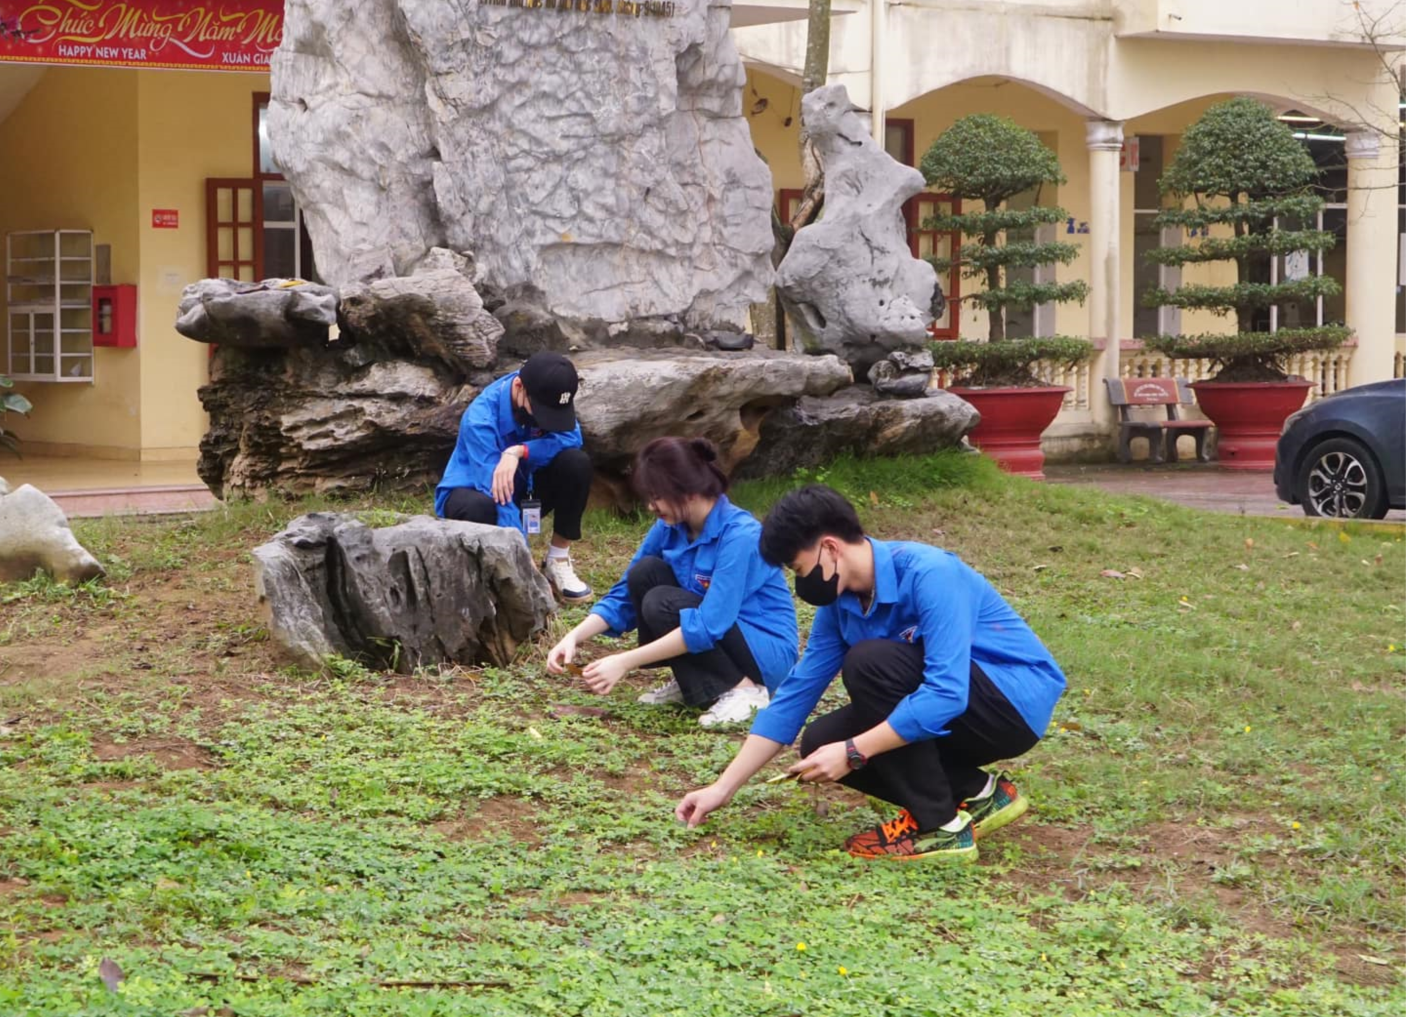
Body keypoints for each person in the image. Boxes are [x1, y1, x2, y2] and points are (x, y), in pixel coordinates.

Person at [674, 485, 1064, 863]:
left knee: (870, 663)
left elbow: (947, 692)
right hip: (958, 711)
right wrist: (722, 788)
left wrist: (854, 751)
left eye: (799, 568)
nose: (800, 582)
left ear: (830, 548)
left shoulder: (930, 573)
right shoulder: (840, 605)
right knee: (821, 742)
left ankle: (940, 827)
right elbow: (796, 694)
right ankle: (978, 793)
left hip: (1009, 705)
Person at [546, 438, 797, 728]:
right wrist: (574, 637)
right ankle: (697, 680)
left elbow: (709, 624)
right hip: (722, 633)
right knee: (645, 573)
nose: (651, 506)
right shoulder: (671, 527)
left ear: (688, 491)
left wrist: (624, 661)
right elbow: (624, 593)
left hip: (765, 653)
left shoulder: (741, 536)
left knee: (663, 603)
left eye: (657, 497)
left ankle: (745, 690)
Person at [436, 351, 594, 602]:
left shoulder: (550, 391)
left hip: (523, 487)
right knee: (480, 506)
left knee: (576, 463)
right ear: (519, 387)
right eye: (542, 411)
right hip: (477, 494)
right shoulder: (480, 419)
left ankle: (558, 560)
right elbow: (497, 493)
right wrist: (524, 562)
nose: (548, 419)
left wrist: (519, 451)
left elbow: (571, 438)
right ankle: (485, 577)